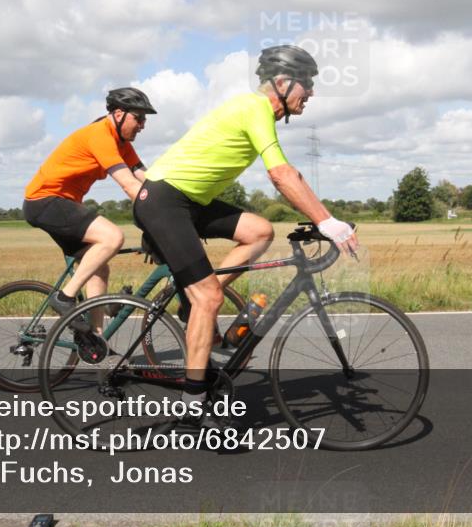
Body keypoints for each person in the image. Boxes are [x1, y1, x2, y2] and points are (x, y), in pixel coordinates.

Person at [133, 45, 359, 429]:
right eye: (308, 84)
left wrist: (322, 219)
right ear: (284, 83)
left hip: (188, 201)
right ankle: (194, 403)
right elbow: (282, 175)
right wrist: (327, 221)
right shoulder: (254, 109)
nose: (312, 94)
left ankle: (193, 302)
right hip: (165, 201)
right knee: (210, 296)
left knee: (259, 230)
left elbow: (285, 177)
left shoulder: (255, 111)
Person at [23, 87, 156, 346]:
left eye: (145, 120)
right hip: (45, 200)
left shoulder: (122, 143)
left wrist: (173, 196)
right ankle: (64, 297)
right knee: (112, 237)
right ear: (118, 114)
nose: (142, 125)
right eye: (138, 118)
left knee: (99, 269)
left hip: (63, 203)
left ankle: (96, 342)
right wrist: (160, 216)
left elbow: (145, 177)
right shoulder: (100, 135)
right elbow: (129, 185)